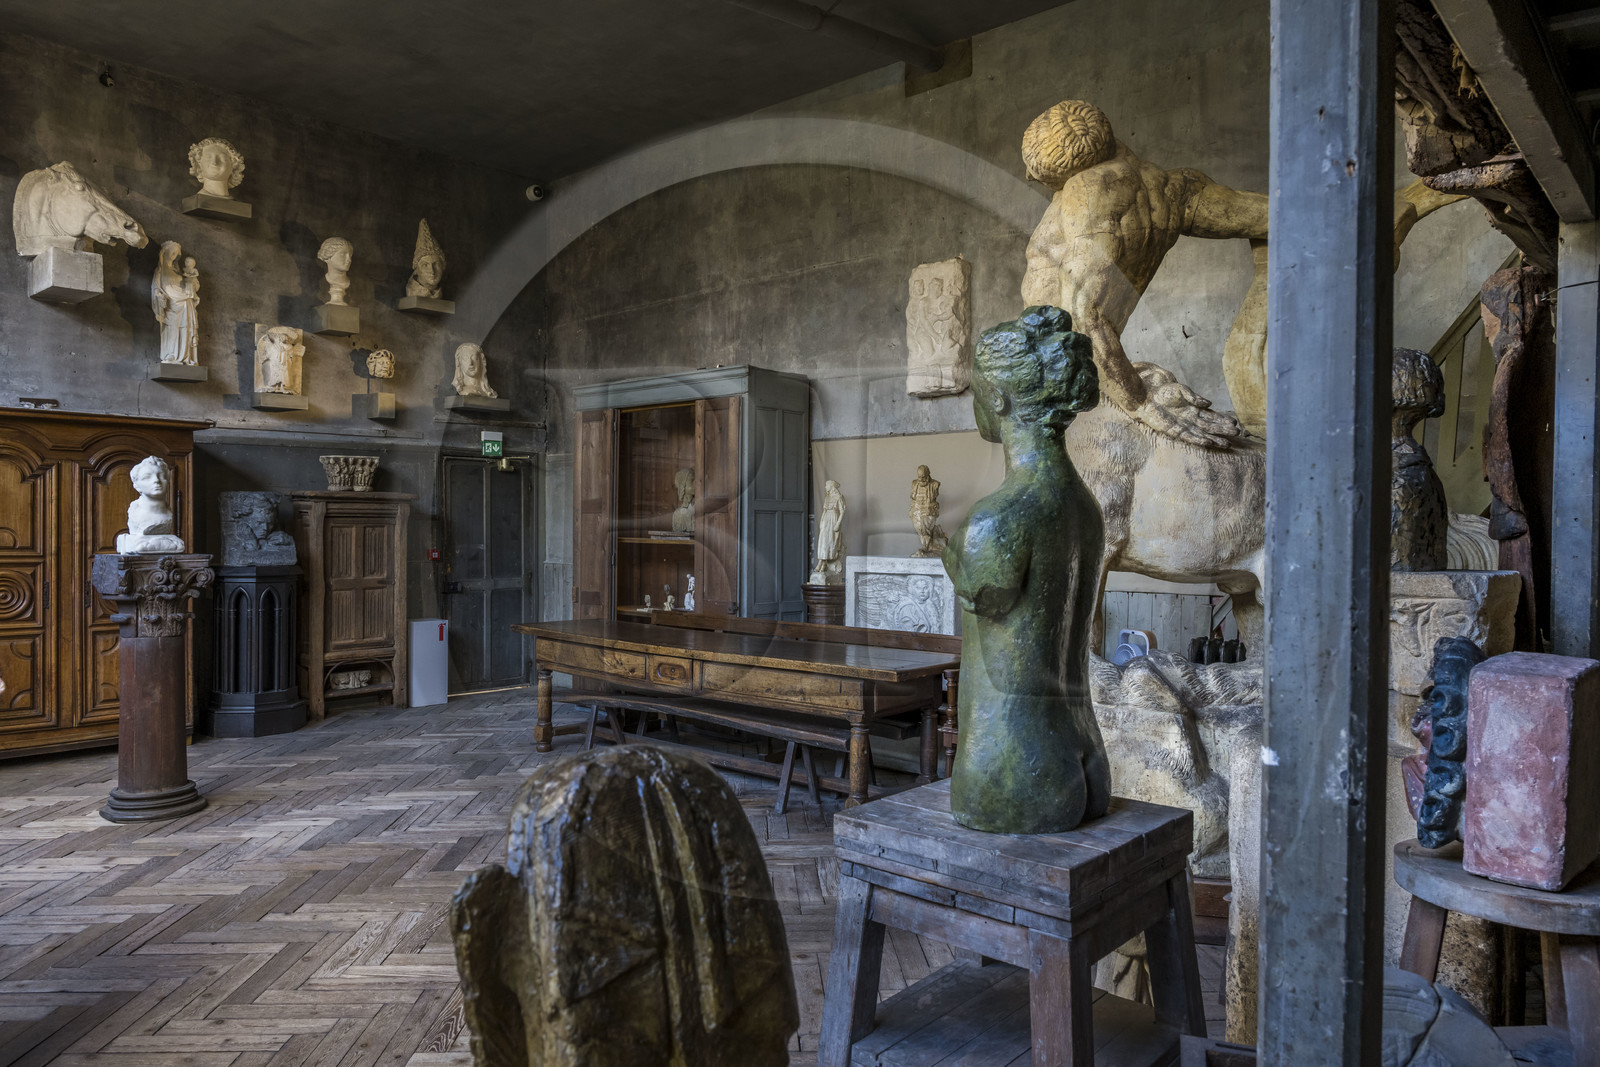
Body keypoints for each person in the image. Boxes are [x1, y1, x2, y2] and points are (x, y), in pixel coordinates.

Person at [942, 305, 1110, 833]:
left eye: (975, 390)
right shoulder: (1084, 508)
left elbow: (984, 593)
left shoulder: (999, 518)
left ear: (997, 397)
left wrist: (951, 548)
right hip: (1085, 756)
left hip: (1011, 771)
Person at [1020, 100, 1267, 448]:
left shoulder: (1085, 191)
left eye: (1037, 172)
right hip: (1089, 368)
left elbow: (1082, 313)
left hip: (1046, 373)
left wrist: (1139, 400)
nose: (1029, 177)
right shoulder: (1179, 188)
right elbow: (1271, 217)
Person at [151, 241, 200, 365]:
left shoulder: (178, 272)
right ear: (165, 253)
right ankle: (171, 354)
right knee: (172, 329)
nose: (173, 256)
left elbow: (189, 286)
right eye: (172, 252)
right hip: (171, 305)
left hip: (185, 304)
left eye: (176, 254)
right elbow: (156, 288)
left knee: (185, 329)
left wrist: (192, 290)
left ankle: (185, 357)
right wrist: (159, 295)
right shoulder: (160, 271)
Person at [808, 480, 845, 584]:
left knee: (830, 542)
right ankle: (822, 561)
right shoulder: (827, 497)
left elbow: (842, 512)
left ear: (831, 486)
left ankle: (823, 562)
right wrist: (821, 522)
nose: (825, 487)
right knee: (823, 542)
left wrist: (838, 524)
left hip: (834, 520)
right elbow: (824, 511)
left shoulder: (839, 497)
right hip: (826, 520)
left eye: (826, 485)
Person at [317, 236, 353, 305]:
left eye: (350, 255)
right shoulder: (320, 283)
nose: (349, 260)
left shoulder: (356, 284)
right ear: (328, 257)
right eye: (342, 254)